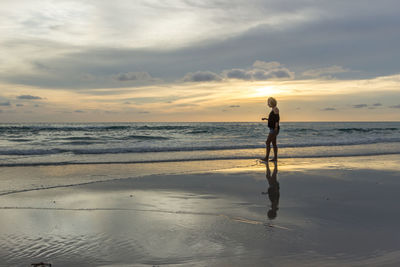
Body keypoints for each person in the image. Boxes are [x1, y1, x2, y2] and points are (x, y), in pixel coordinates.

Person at [261, 97, 280, 161]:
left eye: (268, 102)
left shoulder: (275, 109)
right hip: (272, 128)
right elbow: (273, 119)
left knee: (267, 142)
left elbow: (277, 120)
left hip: (274, 129)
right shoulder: (273, 109)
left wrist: (276, 128)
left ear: (271, 103)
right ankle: (275, 158)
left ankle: (266, 157)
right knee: (274, 143)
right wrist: (266, 119)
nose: (267, 104)